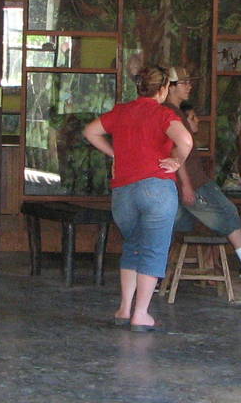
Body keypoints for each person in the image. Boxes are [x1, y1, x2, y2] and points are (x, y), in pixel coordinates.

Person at [83, 65, 193, 331]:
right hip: (156, 187)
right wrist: (176, 160)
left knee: (132, 245)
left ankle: (124, 308)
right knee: (153, 249)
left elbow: (90, 132)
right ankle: (141, 314)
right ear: (164, 88)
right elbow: (186, 141)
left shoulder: (121, 112)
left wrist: (115, 154)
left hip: (123, 192)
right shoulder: (163, 113)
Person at [174, 102, 241, 280]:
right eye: (192, 118)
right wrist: (186, 186)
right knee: (228, 212)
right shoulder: (180, 141)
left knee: (226, 213)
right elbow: (177, 158)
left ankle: (220, 263)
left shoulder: (190, 142)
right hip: (194, 191)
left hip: (196, 189)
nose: (197, 120)